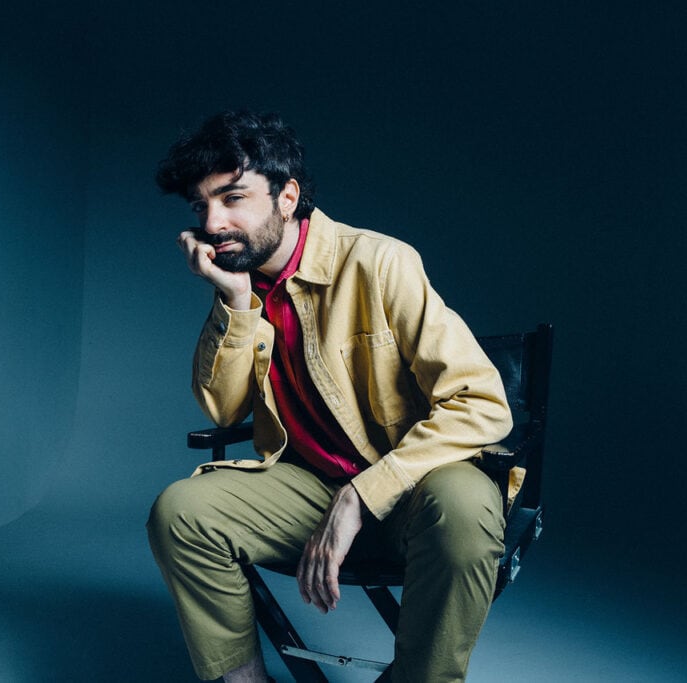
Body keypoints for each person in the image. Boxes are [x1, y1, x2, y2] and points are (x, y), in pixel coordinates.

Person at [147, 110, 513, 682]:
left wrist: (361, 497)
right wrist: (235, 303)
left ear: (287, 196)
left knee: (466, 508)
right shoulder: (243, 283)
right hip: (310, 488)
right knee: (181, 513)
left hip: (415, 486)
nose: (213, 223)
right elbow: (222, 409)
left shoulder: (380, 261)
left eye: (233, 198)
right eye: (201, 206)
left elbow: (483, 404)